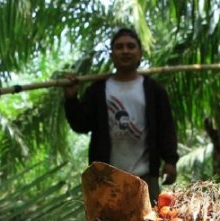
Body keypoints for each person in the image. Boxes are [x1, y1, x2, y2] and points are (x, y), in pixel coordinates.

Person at [63, 27, 178, 202]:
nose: (125, 51)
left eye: (131, 46)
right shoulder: (98, 90)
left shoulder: (154, 90)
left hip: (145, 177)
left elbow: (166, 127)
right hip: (106, 178)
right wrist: (71, 99)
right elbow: (81, 125)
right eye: (119, 47)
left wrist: (170, 161)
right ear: (112, 55)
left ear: (140, 54)